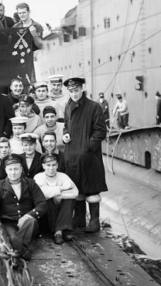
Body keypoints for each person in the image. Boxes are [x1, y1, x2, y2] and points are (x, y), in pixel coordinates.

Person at [61, 77, 108, 233]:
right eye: (71, 91)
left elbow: (101, 131)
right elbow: (66, 126)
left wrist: (88, 147)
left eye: (76, 90)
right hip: (73, 155)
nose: (74, 94)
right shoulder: (68, 106)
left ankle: (94, 221)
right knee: (77, 187)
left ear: (82, 89)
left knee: (92, 188)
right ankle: (80, 218)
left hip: (89, 156)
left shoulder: (94, 107)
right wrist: (65, 135)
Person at [0, 154, 47, 260]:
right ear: (6, 170)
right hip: (9, 222)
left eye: (16, 169)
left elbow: (42, 205)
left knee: (32, 222)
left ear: (21, 169)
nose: (13, 172)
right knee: (13, 237)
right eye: (10, 169)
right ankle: (22, 250)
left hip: (27, 223)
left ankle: (12, 248)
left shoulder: (30, 183)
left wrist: (27, 216)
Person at [33, 152, 79, 244]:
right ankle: (61, 231)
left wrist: (55, 194)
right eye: (48, 165)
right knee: (47, 200)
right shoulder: (38, 177)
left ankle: (59, 232)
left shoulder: (63, 176)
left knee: (69, 200)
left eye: (54, 165)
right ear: (43, 166)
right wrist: (61, 189)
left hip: (62, 213)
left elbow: (75, 193)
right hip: (47, 217)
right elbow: (43, 194)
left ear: (57, 165)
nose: (51, 168)